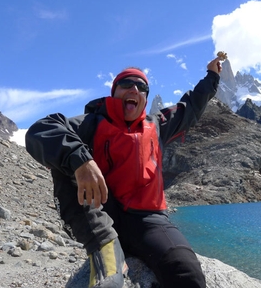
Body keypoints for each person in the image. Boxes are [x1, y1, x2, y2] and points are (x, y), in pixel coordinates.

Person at [25, 56, 222, 288]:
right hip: (101, 216)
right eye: (127, 83)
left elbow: (192, 106)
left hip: (149, 221)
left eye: (142, 87)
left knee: (187, 274)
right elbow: (41, 130)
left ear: (146, 98)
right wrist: (80, 160)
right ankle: (104, 248)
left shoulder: (157, 125)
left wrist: (212, 76)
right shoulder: (92, 122)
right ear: (114, 90)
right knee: (67, 158)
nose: (135, 89)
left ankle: (119, 252)